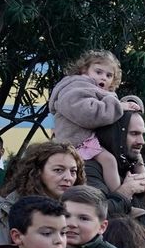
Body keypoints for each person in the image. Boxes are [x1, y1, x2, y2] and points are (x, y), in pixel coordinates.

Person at [0, 140, 84, 248]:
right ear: (37, 172)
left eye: (73, 171)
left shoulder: (80, 208)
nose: (68, 178)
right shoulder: (6, 210)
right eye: (58, 170)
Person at [49, 49, 135, 200]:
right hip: (75, 141)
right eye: (98, 72)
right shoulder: (76, 87)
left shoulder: (88, 88)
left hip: (82, 140)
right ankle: (121, 198)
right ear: (84, 70)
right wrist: (118, 106)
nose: (103, 77)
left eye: (109, 75)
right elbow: (89, 114)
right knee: (109, 160)